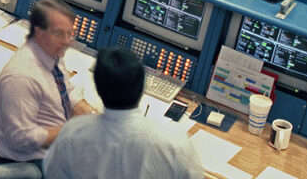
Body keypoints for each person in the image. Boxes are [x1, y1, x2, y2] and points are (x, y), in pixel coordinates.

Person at [43, 48, 203, 179]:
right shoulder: (175, 142)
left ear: (99, 89)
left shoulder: (72, 133)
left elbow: (51, 172)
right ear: (142, 87)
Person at [0, 0, 95, 169]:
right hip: (23, 159)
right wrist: (71, 130)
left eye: (70, 34)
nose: (67, 41)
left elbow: (67, 90)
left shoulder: (51, 52)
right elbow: (21, 139)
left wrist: (91, 114)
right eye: (59, 33)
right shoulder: (20, 79)